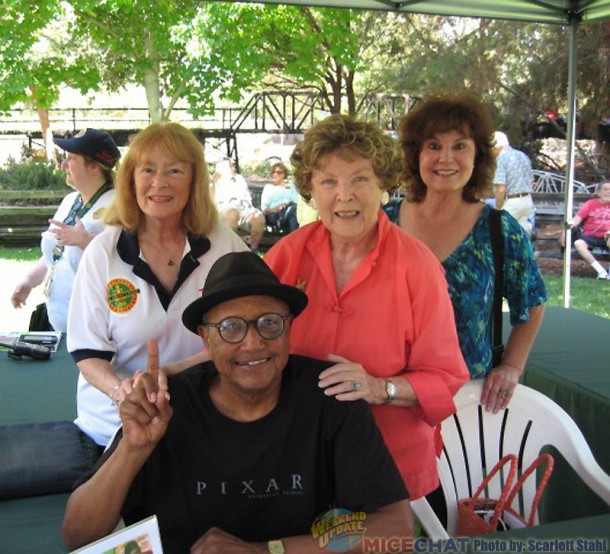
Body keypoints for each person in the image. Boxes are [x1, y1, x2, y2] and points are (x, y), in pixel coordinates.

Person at [62, 252, 413, 553]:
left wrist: (267, 550)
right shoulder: (165, 405)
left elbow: (397, 529)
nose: (252, 344)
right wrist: (133, 450)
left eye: (269, 324)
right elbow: (78, 535)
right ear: (205, 338)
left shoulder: (330, 396)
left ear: (289, 329)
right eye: (230, 328)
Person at [264, 114, 469, 500]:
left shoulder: (416, 266)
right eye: (328, 182)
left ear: (383, 186)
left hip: (390, 465)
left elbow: (444, 376)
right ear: (310, 189)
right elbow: (238, 338)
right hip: (299, 461)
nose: (344, 195)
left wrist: (379, 388)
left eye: (360, 178)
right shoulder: (286, 256)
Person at [67, 122, 248, 453]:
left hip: (205, 418)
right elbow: (87, 352)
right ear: (131, 179)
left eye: (175, 171)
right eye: (147, 169)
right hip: (113, 428)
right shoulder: (103, 253)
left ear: (194, 181)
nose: (159, 183)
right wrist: (124, 392)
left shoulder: (225, 245)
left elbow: (250, 334)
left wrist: (171, 373)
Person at [395, 92, 546, 412]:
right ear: (415, 154)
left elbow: (533, 302)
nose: (445, 158)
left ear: (478, 155)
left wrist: (512, 366)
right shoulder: (383, 221)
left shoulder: (499, 230)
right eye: (433, 145)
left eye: (460, 145)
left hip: (467, 403)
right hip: (388, 396)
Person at [10, 129, 120, 332]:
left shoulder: (119, 206)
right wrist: (29, 280)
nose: (63, 164)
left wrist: (85, 241)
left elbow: (124, 267)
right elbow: (56, 254)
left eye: (71, 158)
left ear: (95, 167)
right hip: (58, 322)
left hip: (95, 330)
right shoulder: (71, 200)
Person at [561, 180, 610, 280]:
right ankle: (601, 272)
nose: (608, 192)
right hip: (589, 236)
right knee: (578, 243)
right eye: (605, 189)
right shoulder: (590, 204)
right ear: (598, 192)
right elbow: (577, 219)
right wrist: (565, 232)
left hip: (607, 237)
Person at [213, 159, 265, 251]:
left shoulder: (239, 179)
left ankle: (253, 250)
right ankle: (230, 251)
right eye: (231, 166)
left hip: (244, 209)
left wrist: (245, 210)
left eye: (234, 165)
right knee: (232, 213)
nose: (234, 168)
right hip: (224, 210)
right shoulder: (215, 181)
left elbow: (247, 199)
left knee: (258, 218)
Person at [492, 131, 535, 236]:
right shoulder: (522, 155)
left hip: (512, 202)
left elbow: (500, 188)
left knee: (497, 232)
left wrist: (497, 208)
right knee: (520, 237)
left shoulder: (500, 159)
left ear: (495, 147)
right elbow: (531, 180)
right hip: (527, 200)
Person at [260, 162, 299, 233]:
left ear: (284, 174)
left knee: (293, 212)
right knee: (293, 213)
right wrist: (275, 209)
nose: (276, 174)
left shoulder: (290, 186)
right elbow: (264, 209)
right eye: (273, 172)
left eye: (279, 172)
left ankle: (295, 241)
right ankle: (297, 241)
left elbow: (296, 201)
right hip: (274, 215)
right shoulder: (268, 187)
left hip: (289, 211)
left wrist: (286, 205)